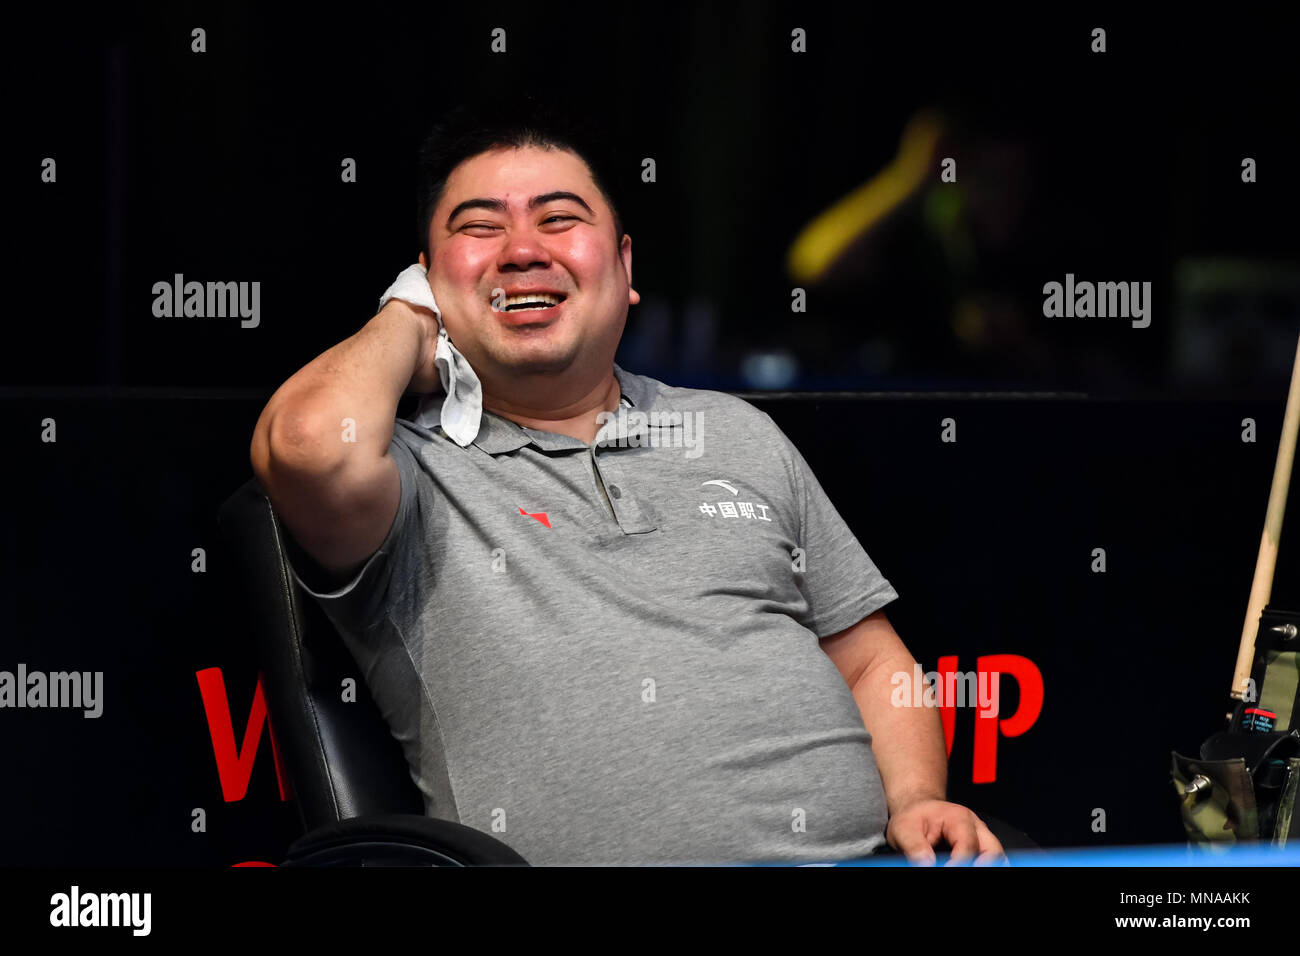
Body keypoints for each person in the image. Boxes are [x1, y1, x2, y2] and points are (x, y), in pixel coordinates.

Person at [248, 97, 1006, 867]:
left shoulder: (733, 430)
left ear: (625, 267)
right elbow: (308, 446)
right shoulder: (410, 469)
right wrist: (408, 319)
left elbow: (873, 662)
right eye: (478, 228)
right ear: (425, 279)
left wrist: (917, 799)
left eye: (558, 219)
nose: (520, 251)